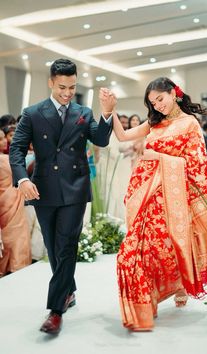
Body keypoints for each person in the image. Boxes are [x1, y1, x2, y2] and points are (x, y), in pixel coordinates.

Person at [9, 58, 115, 335]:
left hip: (75, 188)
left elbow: (100, 139)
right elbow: (17, 149)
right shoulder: (32, 113)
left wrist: (106, 114)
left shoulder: (83, 111)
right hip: (43, 189)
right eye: (62, 87)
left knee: (66, 244)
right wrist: (22, 179)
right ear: (51, 82)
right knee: (53, 247)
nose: (68, 93)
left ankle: (55, 311)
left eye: (72, 87)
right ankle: (69, 291)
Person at [101, 77, 207, 331]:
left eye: (160, 99)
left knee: (167, 247)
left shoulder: (189, 124)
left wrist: (158, 156)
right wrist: (110, 110)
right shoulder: (155, 122)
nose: (158, 106)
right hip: (145, 195)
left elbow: (196, 165)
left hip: (173, 199)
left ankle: (177, 286)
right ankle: (146, 300)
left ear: (173, 93)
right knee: (137, 248)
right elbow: (122, 136)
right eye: (152, 103)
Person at [0, 130, 31, 277]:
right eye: (0, 139)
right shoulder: (8, 160)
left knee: (10, 235)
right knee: (15, 235)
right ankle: (16, 265)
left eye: (3, 138)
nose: (4, 141)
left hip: (9, 199)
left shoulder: (8, 158)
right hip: (9, 199)